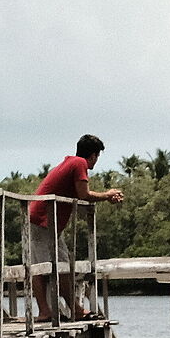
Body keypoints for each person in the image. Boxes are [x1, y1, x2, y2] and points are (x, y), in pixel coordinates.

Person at [30, 133, 125, 322]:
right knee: (55, 267)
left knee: (49, 266)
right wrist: (107, 194)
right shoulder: (80, 163)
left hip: (44, 219)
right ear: (93, 155)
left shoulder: (70, 162)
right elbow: (84, 194)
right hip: (43, 220)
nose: (96, 161)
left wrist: (106, 197)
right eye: (97, 157)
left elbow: (79, 196)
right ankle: (68, 310)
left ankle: (57, 310)